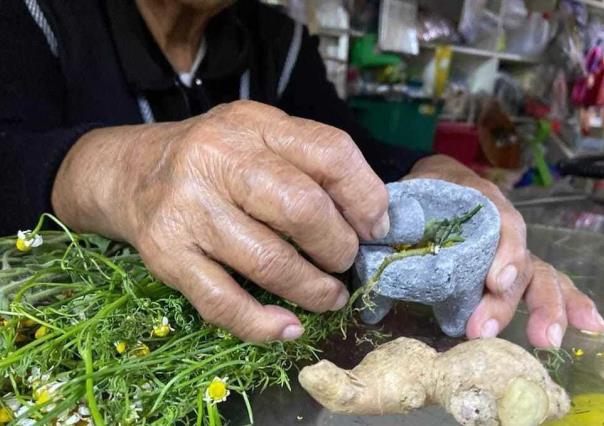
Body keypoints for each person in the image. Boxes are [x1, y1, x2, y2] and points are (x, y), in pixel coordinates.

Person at [1, 0, 602, 347]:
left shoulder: (277, 42)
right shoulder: (32, 18)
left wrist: (434, 176)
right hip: (65, 341)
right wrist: (124, 171)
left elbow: (351, 152)